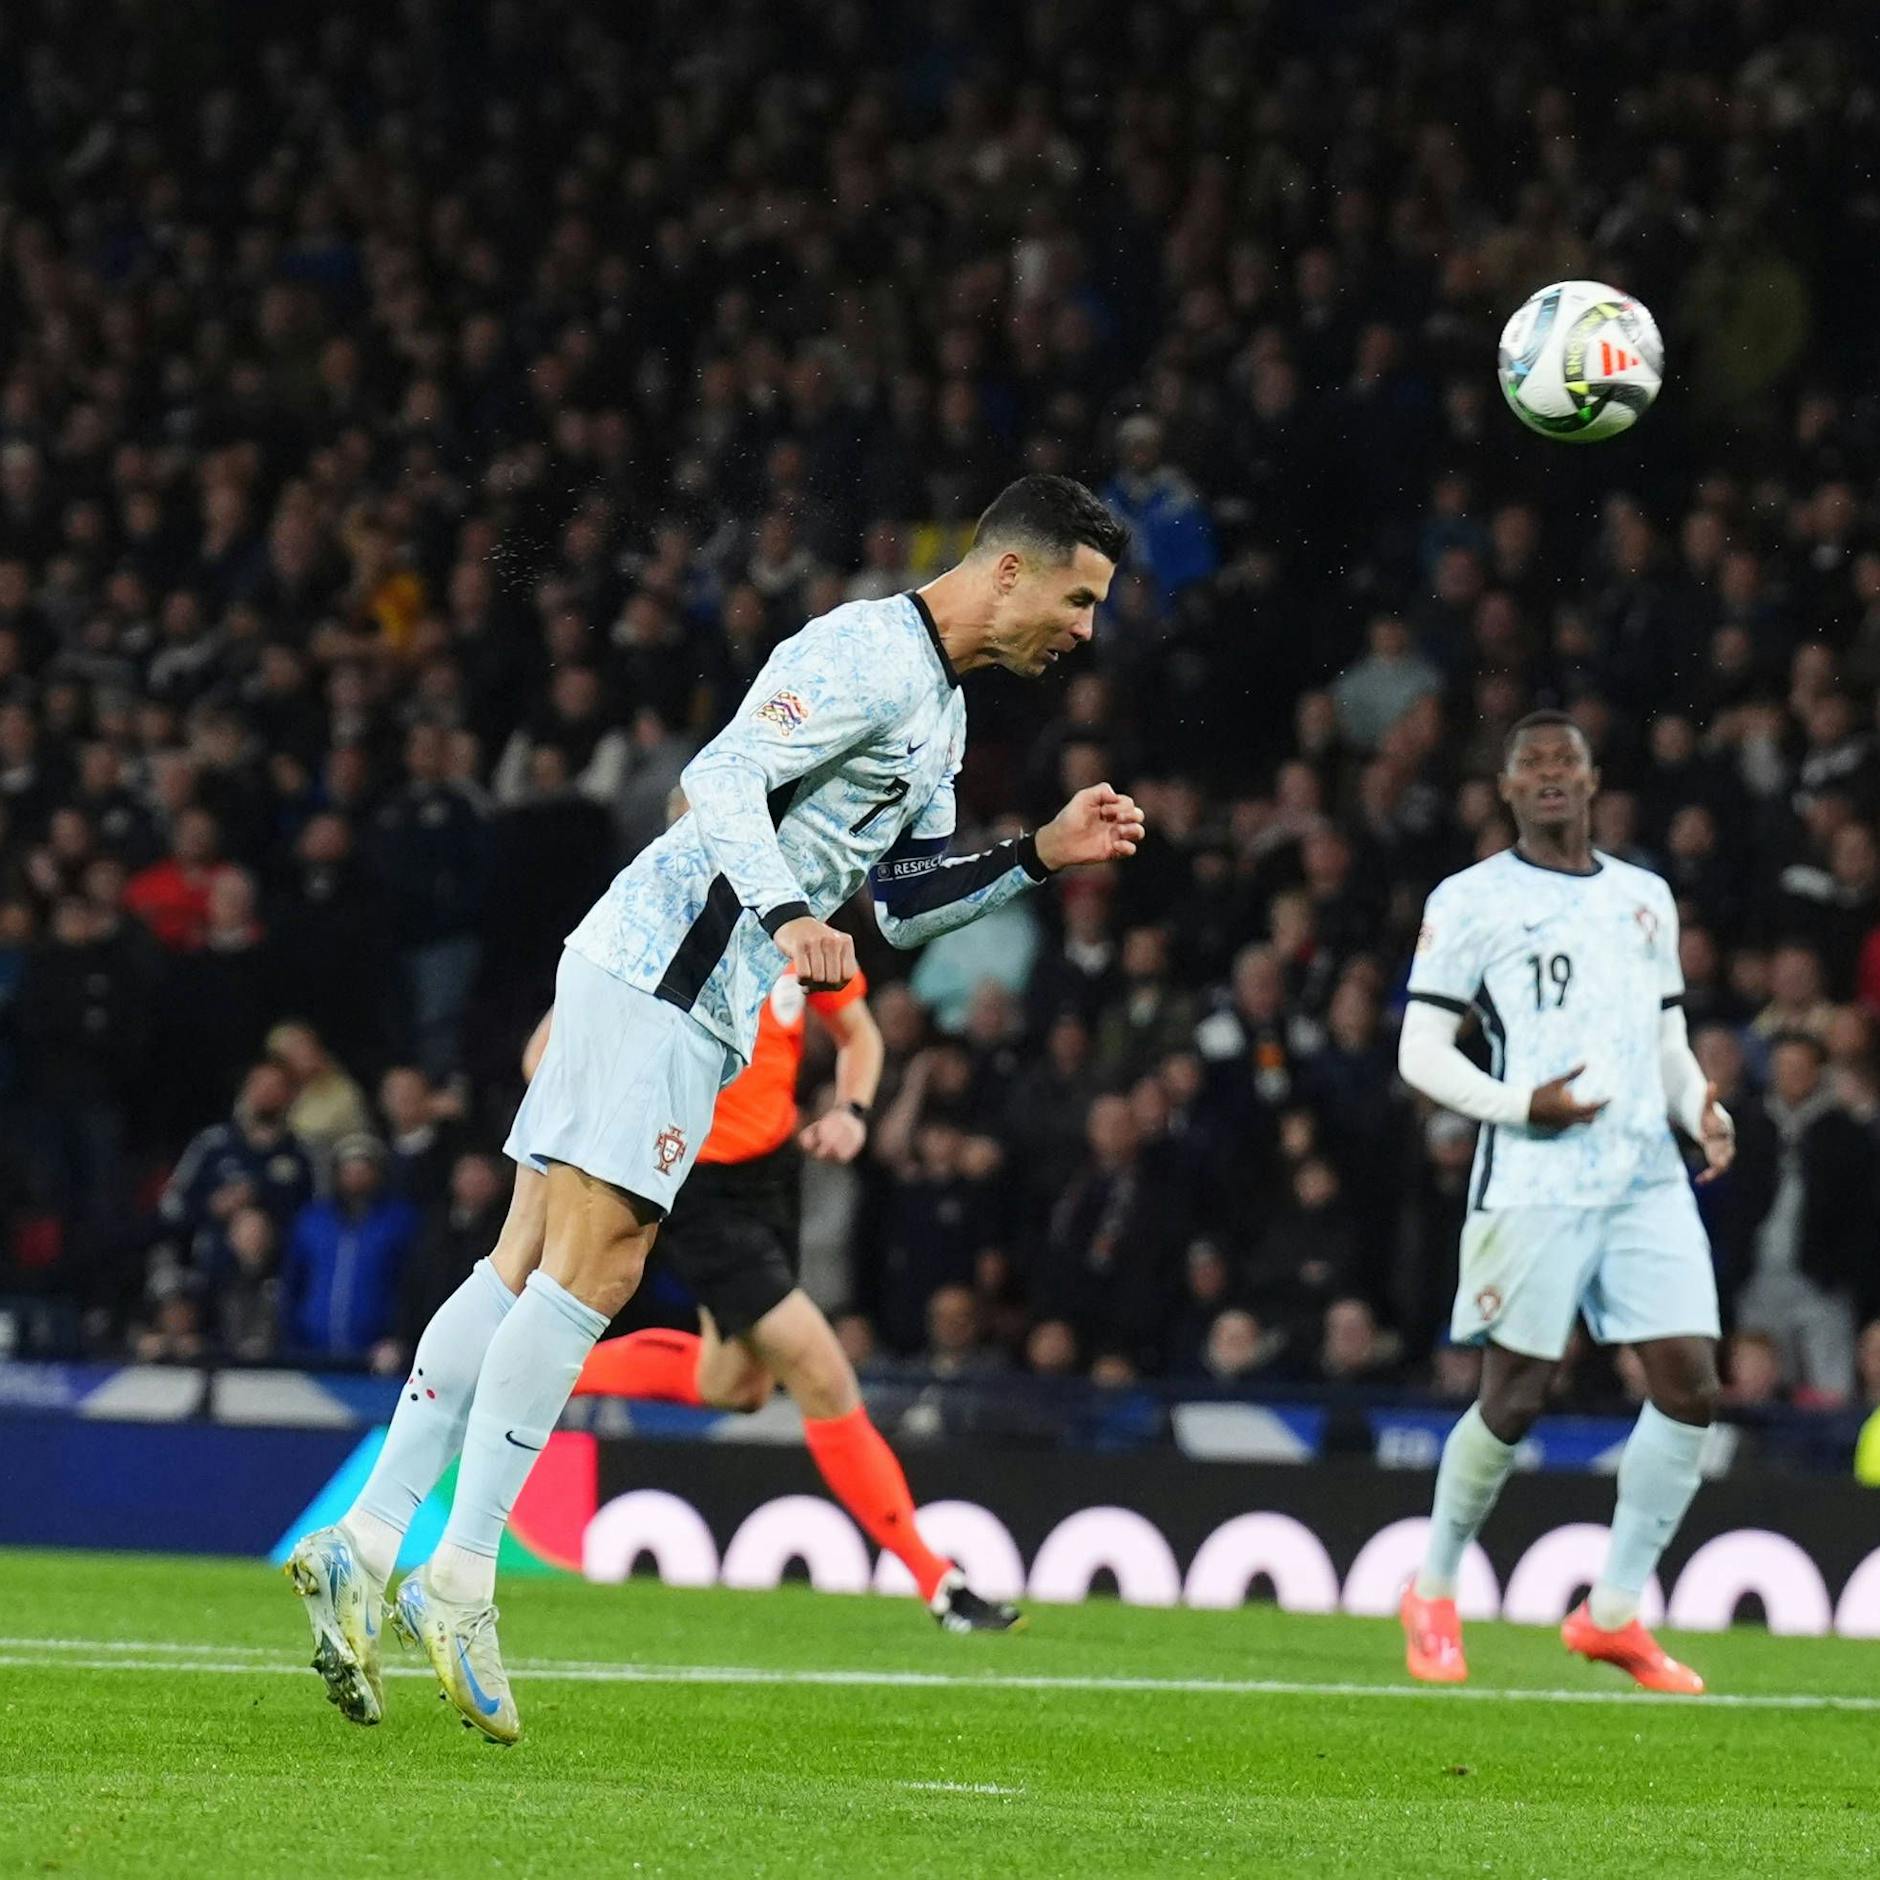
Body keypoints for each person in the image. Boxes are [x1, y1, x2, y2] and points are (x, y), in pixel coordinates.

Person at [286, 474, 1141, 1740]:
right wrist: (787, 914)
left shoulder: (943, 712)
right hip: (671, 975)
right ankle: (458, 1574)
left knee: (522, 1257)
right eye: (1076, 598)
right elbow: (723, 774)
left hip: (650, 967)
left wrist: (1032, 853)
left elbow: (898, 897)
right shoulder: (865, 649)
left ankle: (365, 1537)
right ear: (1009, 567)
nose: (1082, 630)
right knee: (593, 1267)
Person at [1396, 711, 1735, 1695]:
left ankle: (1612, 1612)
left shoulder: (1644, 896)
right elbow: (1419, 1050)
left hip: (1643, 1175)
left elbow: (1665, 1039)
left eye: (1565, 760)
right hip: (1536, 1175)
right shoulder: (1470, 899)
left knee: (1690, 1384)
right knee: (1515, 1395)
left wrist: (1696, 1108)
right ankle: (1432, 1588)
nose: (1549, 774)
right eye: (1530, 763)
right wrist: (1520, 1104)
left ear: (1592, 779)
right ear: (1506, 787)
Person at [568, 962, 1019, 1628]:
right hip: (697, 1184)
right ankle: (940, 1584)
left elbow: (859, 1034)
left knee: (735, 1384)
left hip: (773, 1174)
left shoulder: (805, 934)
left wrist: (852, 1112)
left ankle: (542, 1366)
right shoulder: (682, 930)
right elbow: (553, 1051)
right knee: (825, 1375)